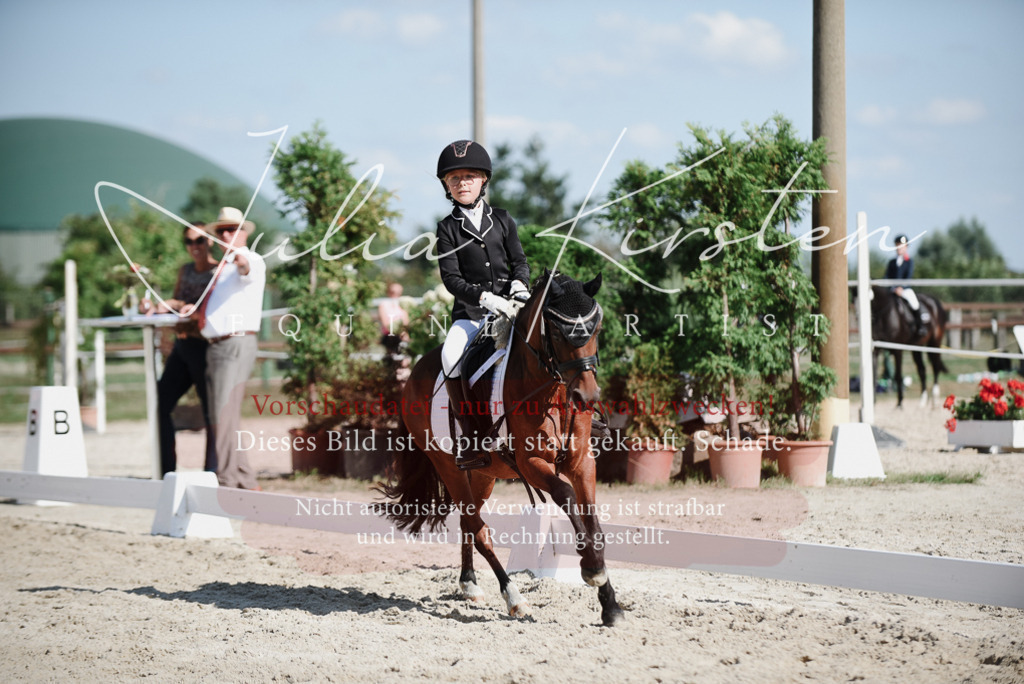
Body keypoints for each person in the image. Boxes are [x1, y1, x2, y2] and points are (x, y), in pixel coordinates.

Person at [434, 140, 530, 469]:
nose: (462, 183)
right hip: (472, 316)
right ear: (447, 185)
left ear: (483, 181)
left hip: (512, 310)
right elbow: (451, 279)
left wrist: (519, 286)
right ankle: (471, 438)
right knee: (450, 356)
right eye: (455, 178)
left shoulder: (503, 220)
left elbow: (519, 261)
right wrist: (484, 297)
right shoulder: (447, 229)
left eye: (469, 176)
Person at [186, 206, 266, 490]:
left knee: (221, 412)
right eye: (221, 231)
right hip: (217, 345)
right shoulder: (223, 270)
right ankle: (243, 476)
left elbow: (245, 266)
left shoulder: (250, 259)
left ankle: (227, 480)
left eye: (232, 229)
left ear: (243, 233)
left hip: (233, 343)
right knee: (225, 413)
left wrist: (236, 253)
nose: (226, 234)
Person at [144, 222, 218, 476]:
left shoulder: (219, 272)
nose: (195, 246)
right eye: (189, 241)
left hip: (206, 347)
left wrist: (193, 310)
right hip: (183, 345)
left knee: (211, 411)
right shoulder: (185, 270)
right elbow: (178, 300)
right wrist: (167, 304)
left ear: (210, 242)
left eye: (200, 240)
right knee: (161, 403)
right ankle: (166, 470)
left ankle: (213, 472)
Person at [884, 233, 930, 337]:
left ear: (906, 247)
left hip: (904, 290)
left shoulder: (909, 262)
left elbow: (908, 277)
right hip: (892, 290)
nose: (899, 247)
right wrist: (890, 287)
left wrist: (901, 288)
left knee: (914, 302)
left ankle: (921, 325)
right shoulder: (891, 262)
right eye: (897, 245)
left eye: (901, 245)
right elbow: (887, 276)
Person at [378, 282, 410, 355]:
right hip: (390, 337)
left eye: (398, 292)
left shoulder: (403, 304)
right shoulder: (384, 304)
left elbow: (406, 321)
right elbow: (386, 323)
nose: (395, 294)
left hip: (402, 336)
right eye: (393, 292)